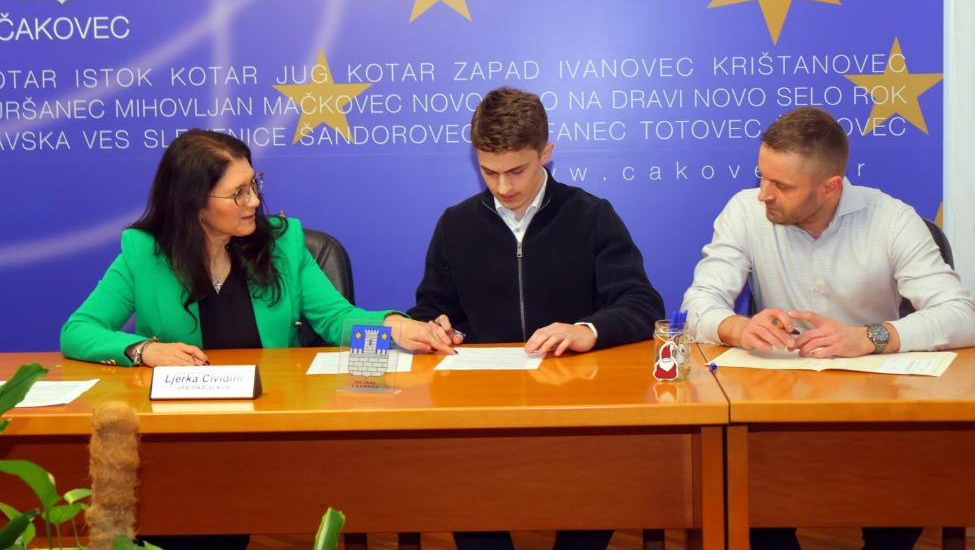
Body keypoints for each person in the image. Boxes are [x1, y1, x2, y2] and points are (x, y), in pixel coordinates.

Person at [60, 129, 441, 549]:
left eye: (254, 184)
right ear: (193, 201)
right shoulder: (145, 252)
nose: (255, 201)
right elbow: (79, 330)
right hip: (181, 437)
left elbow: (336, 319)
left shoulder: (282, 243)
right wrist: (144, 350)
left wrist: (395, 326)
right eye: (238, 193)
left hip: (271, 431)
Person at [681, 107, 975, 550]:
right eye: (761, 176)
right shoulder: (744, 212)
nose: (763, 195)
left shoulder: (892, 219)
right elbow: (698, 303)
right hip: (774, 413)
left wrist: (870, 337)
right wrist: (737, 327)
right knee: (752, 500)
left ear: (831, 187)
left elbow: (962, 314)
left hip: (876, 414)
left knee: (901, 500)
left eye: (781, 185)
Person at [408, 86, 665, 550]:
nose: (504, 187)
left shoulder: (591, 216)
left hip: (577, 410)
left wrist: (587, 330)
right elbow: (431, 308)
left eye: (517, 171)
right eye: (489, 172)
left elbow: (642, 303)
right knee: (462, 488)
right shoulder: (456, 224)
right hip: (483, 411)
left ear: (546, 153)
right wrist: (439, 328)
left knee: (601, 488)